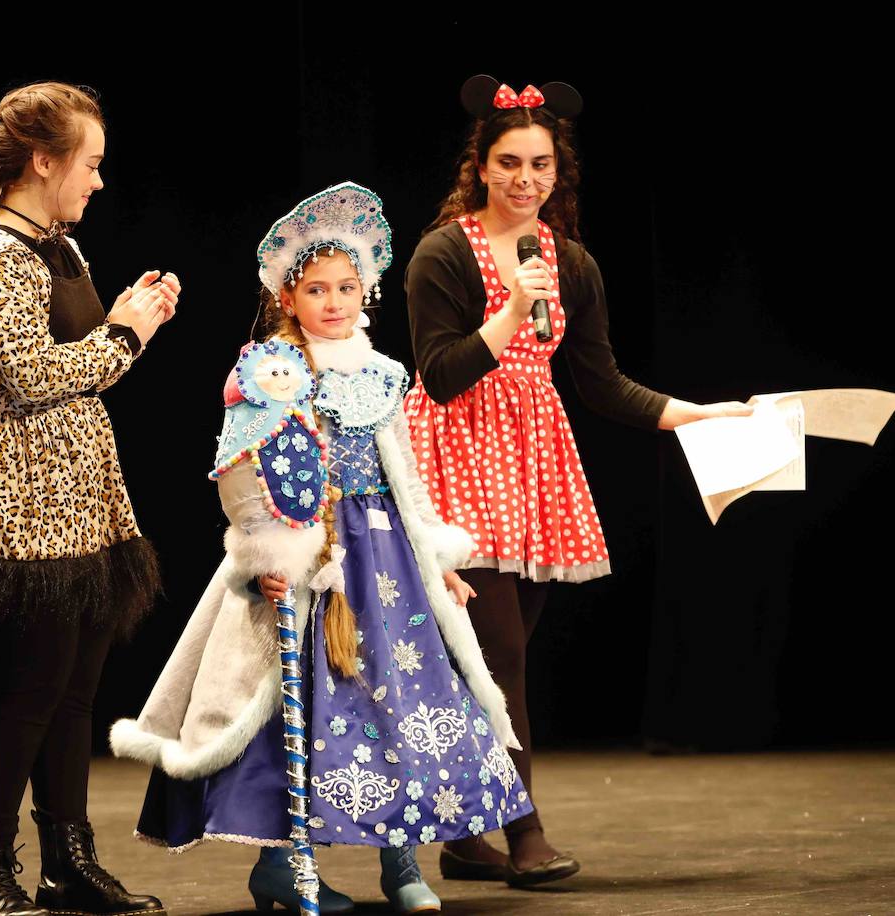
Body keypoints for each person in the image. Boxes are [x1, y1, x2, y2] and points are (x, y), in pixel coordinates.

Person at [112, 182, 529, 915]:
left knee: (399, 704)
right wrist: (268, 559)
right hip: (309, 562)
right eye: (316, 289)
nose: (334, 301)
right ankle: (284, 864)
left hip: (387, 565)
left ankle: (402, 863)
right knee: (299, 709)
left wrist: (436, 562)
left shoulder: (381, 375)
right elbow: (241, 476)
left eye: (347, 287)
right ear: (288, 297)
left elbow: (407, 476)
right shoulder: (271, 373)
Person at [402, 76, 750, 887]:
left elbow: (599, 382)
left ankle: (463, 836)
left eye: (542, 166)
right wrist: (512, 311)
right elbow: (442, 374)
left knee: (485, 663)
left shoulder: (573, 262)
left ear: (560, 172)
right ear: (479, 167)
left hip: (532, 464)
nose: (527, 180)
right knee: (501, 655)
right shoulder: (444, 252)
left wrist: (697, 414)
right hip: (455, 456)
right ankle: (524, 834)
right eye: (509, 164)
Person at [0, 81, 177, 916]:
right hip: (19, 492)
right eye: (89, 164)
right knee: (29, 687)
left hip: (80, 485)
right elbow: (31, 378)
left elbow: (75, 364)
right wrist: (128, 330)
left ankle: (68, 859)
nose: (98, 181)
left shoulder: (58, 245)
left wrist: (128, 323)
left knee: (75, 688)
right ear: (44, 160)